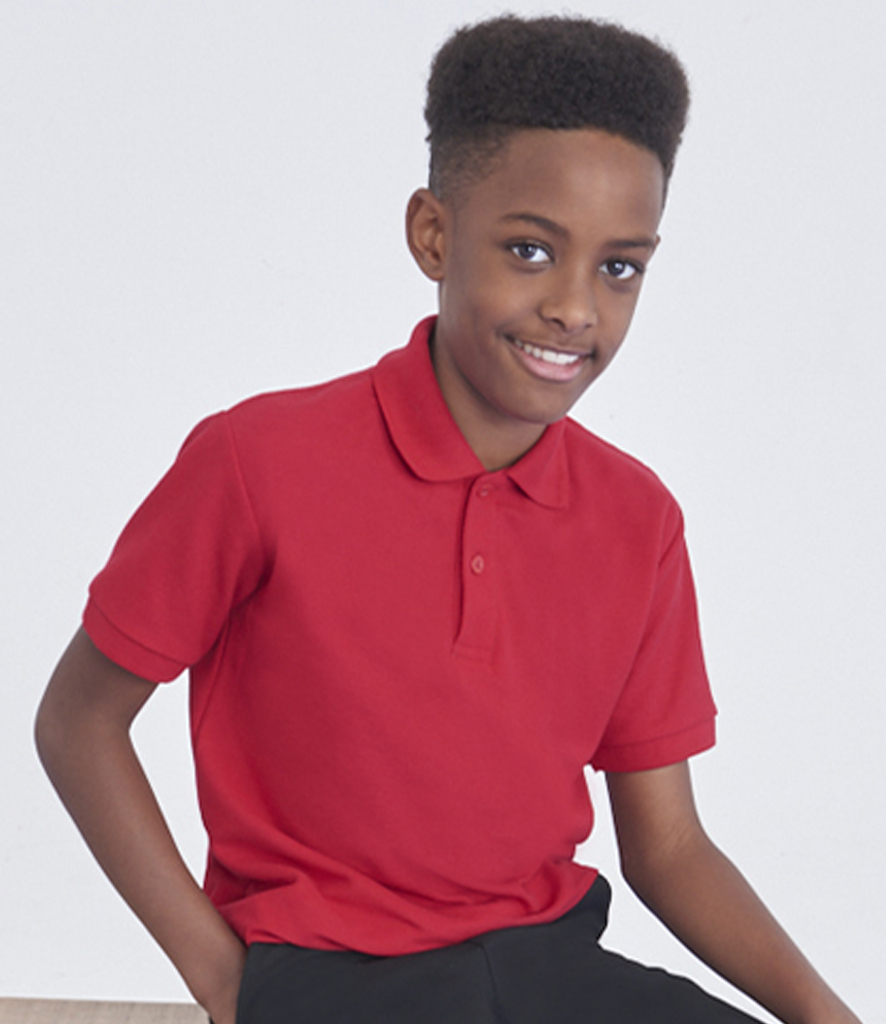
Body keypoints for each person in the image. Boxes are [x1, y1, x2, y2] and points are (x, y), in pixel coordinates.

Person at [35, 15, 862, 1024]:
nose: (575, 308)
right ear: (434, 234)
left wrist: (828, 1017)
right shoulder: (256, 463)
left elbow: (670, 846)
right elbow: (78, 721)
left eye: (619, 267)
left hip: (548, 967)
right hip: (331, 976)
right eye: (530, 250)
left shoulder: (637, 519)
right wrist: (222, 978)